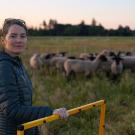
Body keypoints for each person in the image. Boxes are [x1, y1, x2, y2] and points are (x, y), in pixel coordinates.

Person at [0, 18, 68, 135]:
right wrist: (50, 112)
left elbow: (23, 104)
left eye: (23, 36)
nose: (19, 40)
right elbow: (11, 110)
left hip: (23, 129)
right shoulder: (4, 66)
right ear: (3, 40)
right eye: (13, 36)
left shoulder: (16, 63)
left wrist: (33, 129)